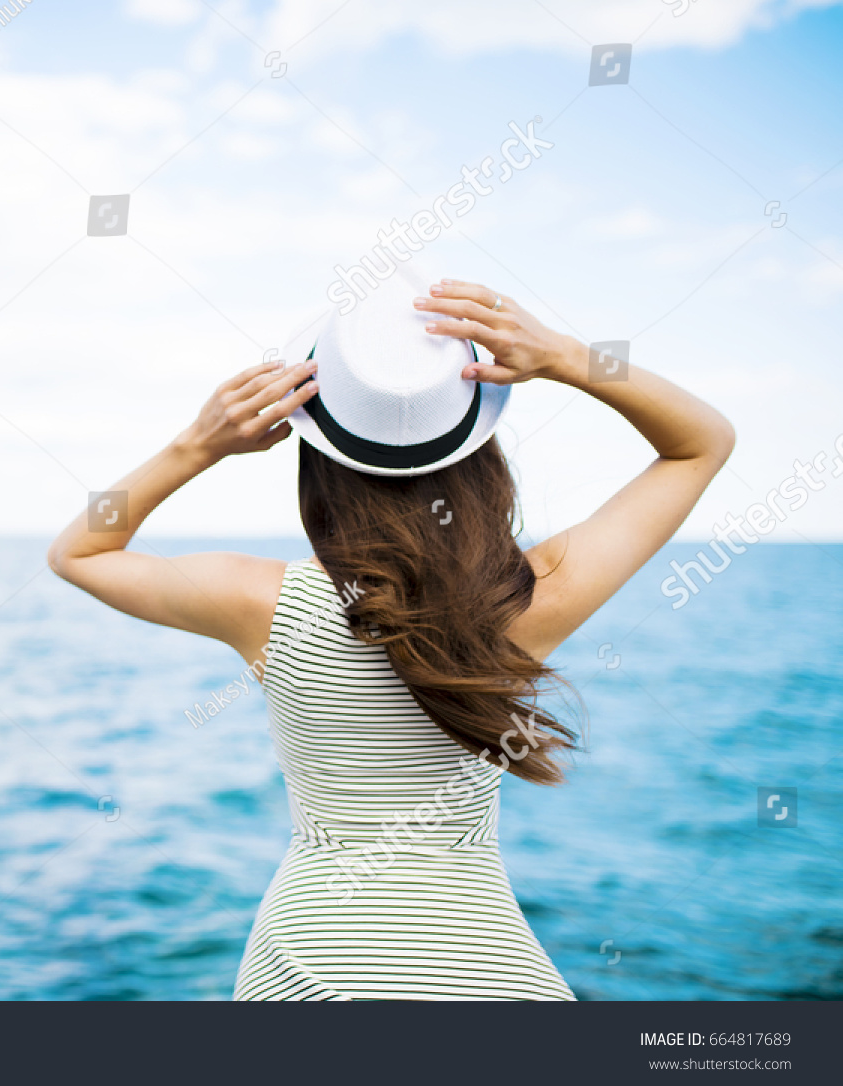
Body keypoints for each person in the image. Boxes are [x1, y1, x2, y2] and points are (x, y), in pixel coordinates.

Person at [47, 275, 734, 1000]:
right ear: (480, 451)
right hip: (494, 979)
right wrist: (563, 357)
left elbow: (79, 553)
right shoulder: (526, 599)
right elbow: (702, 443)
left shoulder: (262, 601)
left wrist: (198, 444)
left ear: (318, 454)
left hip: (309, 970)